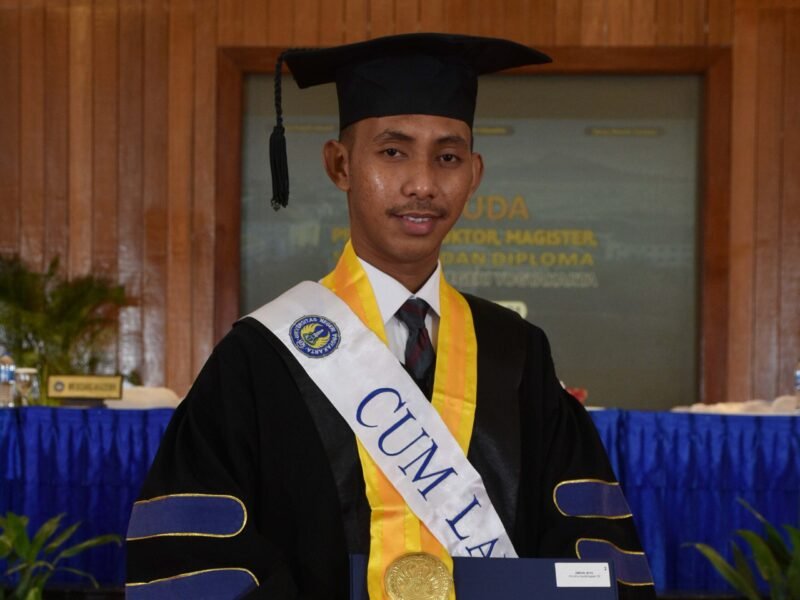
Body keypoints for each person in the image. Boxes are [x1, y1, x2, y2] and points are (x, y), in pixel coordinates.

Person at [126, 33, 656, 600]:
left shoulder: (517, 352)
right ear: (339, 165)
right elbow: (200, 556)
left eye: (447, 157)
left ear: (475, 173)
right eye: (393, 152)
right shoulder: (259, 357)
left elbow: (583, 545)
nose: (422, 184)